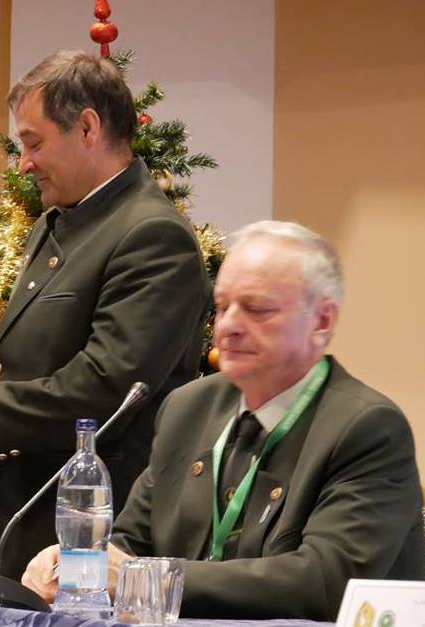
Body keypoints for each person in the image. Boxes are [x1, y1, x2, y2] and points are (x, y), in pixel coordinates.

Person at [22, 220, 424, 620]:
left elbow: (324, 581)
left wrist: (150, 578)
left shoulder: (366, 427)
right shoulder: (188, 408)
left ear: (322, 322)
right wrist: (77, 565)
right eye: (221, 306)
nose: (228, 326)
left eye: (257, 309)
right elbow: (129, 546)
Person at [0, 51, 210, 580]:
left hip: (96, 539)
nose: (23, 163)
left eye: (34, 142)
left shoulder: (152, 236)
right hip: (30, 525)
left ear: (88, 128)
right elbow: (62, 344)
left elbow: (108, 387)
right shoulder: (58, 223)